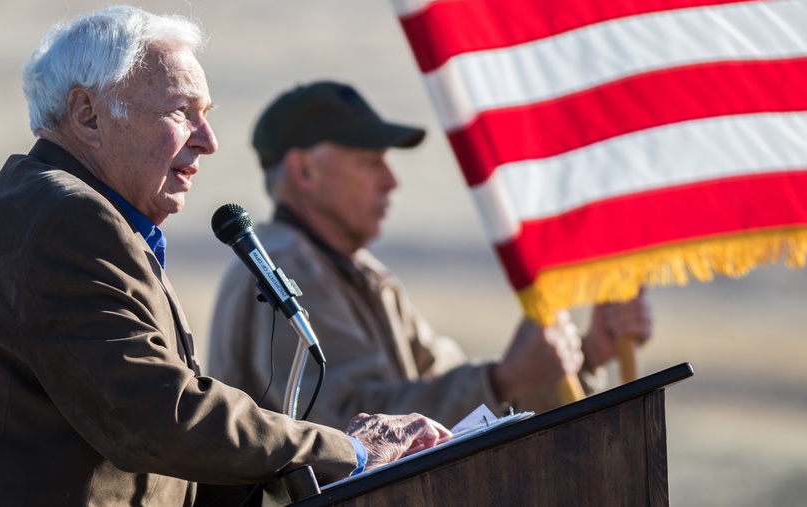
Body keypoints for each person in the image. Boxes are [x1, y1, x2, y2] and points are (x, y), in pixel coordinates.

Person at [0, 7, 452, 507]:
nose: (209, 140)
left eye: (206, 114)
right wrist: (349, 453)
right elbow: (158, 418)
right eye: (181, 111)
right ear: (88, 116)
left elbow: (156, 455)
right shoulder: (66, 221)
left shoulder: (50, 210)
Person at [208, 80, 652, 429]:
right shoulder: (284, 266)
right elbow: (347, 427)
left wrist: (585, 355)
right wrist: (504, 380)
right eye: (370, 163)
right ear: (304, 170)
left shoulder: (361, 274)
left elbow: (458, 398)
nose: (391, 181)